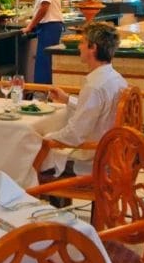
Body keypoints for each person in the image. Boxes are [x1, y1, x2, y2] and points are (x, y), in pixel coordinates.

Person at [41, 21, 128, 176]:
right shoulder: (117, 78)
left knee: (36, 150)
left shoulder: (94, 86)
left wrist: (46, 138)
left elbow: (75, 134)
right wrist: (67, 99)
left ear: (93, 47)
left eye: (82, 42)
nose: (79, 47)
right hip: (115, 157)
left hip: (94, 163)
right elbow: (98, 109)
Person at [22, 0, 63, 84]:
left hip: (50, 26)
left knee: (44, 60)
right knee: (44, 60)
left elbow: (44, 7)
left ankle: (42, 90)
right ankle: (44, 89)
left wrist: (30, 26)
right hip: (49, 26)